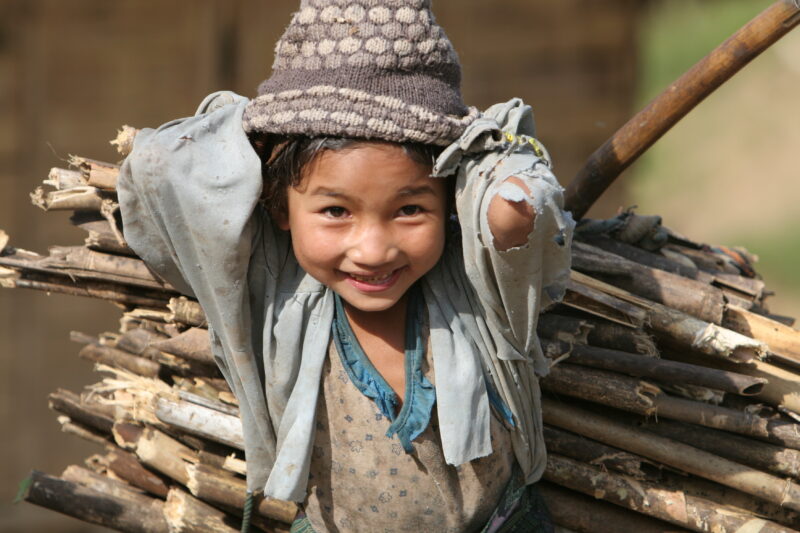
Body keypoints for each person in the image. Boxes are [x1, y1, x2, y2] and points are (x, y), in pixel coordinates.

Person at [117, 1, 574, 531]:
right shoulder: (278, 298)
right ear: (276, 205)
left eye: (409, 210)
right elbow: (158, 166)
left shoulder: (477, 292)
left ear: (452, 202)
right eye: (336, 211)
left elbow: (515, 211)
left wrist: (490, 177)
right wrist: (263, 126)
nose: (373, 250)